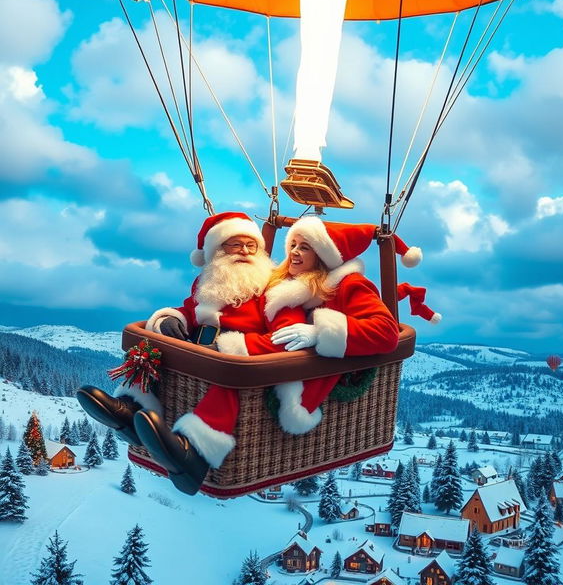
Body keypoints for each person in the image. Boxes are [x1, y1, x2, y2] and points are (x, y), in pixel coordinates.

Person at [77, 211, 306, 495]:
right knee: (150, 351)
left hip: (240, 361)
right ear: (217, 252)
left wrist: (231, 350)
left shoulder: (276, 290)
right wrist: (173, 319)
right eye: (235, 244)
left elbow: (288, 335)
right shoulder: (209, 282)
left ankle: (193, 454)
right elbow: (191, 310)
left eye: (251, 245)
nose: (245, 252)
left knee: (228, 379)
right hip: (197, 353)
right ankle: (131, 409)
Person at [266, 216, 431, 435]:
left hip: (328, 379)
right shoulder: (293, 284)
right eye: (293, 245)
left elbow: (386, 331)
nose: (294, 252)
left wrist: (321, 333)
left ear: (322, 256)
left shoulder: (351, 284)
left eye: (304, 247)